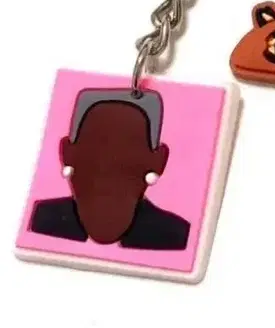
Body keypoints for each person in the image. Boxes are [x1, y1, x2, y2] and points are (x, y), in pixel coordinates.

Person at [28, 88, 189, 250]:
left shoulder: (175, 235)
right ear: (67, 153)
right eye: (94, 146)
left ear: (157, 161)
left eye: (128, 148)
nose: (105, 165)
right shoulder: (42, 220)